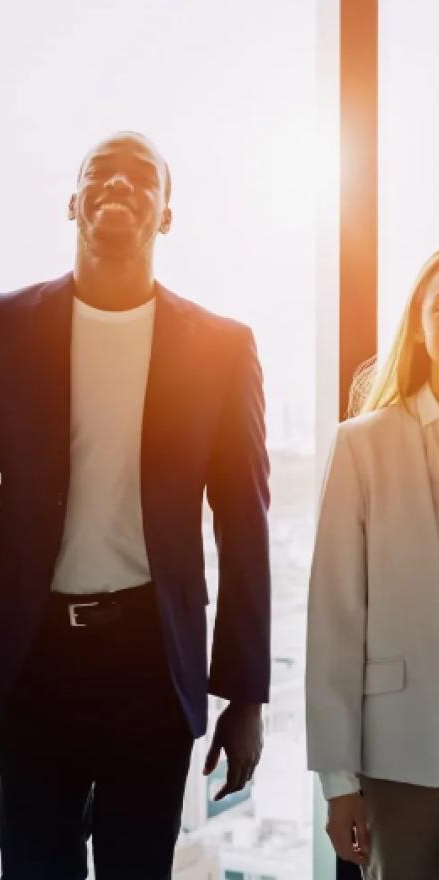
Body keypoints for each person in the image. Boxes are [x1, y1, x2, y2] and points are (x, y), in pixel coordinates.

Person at [0, 132, 271, 880]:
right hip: (31, 656)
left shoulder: (221, 347)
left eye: (141, 177)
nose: (118, 185)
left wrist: (245, 696)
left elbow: (245, 525)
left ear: (167, 214)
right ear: (72, 203)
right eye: (98, 175)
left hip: (151, 659)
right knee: (34, 869)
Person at [306, 250, 439, 880]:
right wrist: (338, 782)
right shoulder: (362, 444)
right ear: (418, 324)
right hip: (400, 759)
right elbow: (335, 620)